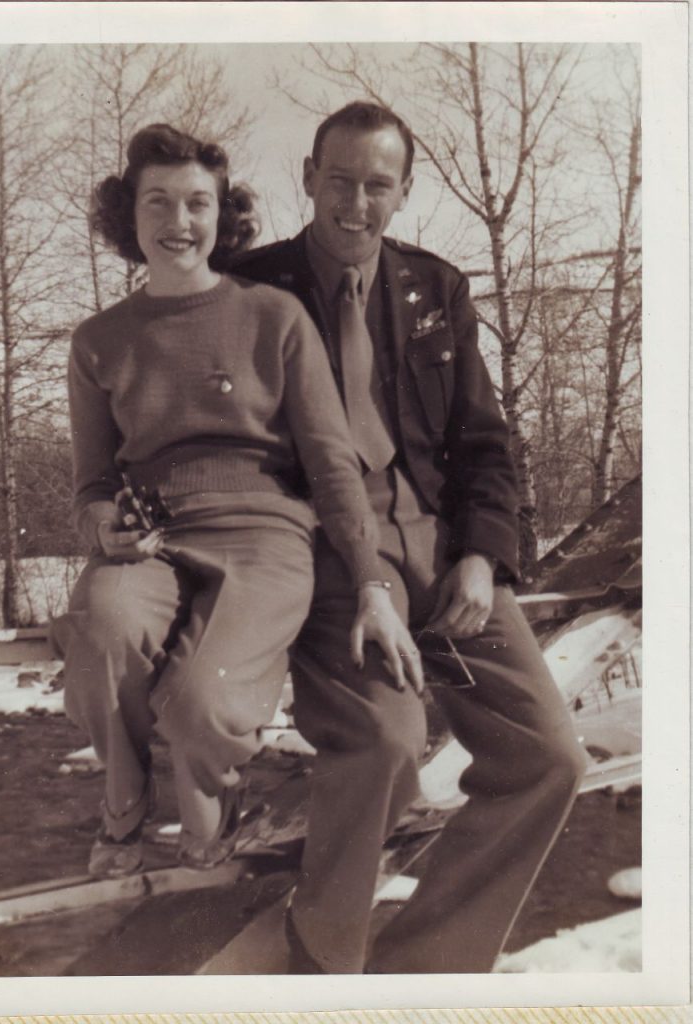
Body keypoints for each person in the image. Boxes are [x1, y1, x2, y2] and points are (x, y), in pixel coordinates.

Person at [232, 101, 588, 974]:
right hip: (331, 563)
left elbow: (481, 442)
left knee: (547, 756)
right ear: (308, 178)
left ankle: (428, 968)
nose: (356, 203)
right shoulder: (247, 291)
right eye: (340, 181)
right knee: (385, 743)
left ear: (403, 191)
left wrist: (479, 556)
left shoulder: (435, 288)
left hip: (438, 553)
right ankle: (323, 959)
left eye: (377, 185)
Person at [50, 123, 422, 879]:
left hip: (265, 537)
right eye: (158, 202)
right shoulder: (98, 341)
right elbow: (91, 483)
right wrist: (101, 525)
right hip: (153, 539)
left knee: (202, 708)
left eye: (197, 203)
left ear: (224, 217)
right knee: (101, 629)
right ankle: (122, 811)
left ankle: (210, 827)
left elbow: (332, 467)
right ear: (131, 216)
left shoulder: (271, 318)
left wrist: (372, 584)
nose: (177, 223)